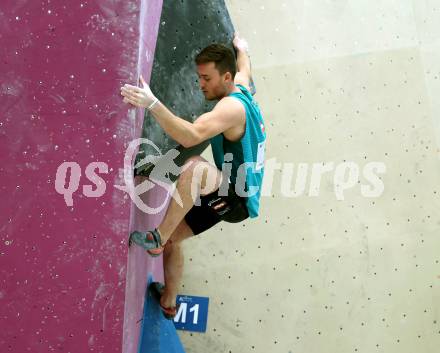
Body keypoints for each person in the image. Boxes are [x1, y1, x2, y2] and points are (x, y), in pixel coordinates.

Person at [120, 33, 266, 319]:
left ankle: (158, 236)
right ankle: (169, 302)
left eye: (206, 78)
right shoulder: (240, 87)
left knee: (195, 167)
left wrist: (152, 103)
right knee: (176, 241)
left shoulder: (231, 108)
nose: (201, 84)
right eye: (199, 77)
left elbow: (192, 136)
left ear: (225, 77)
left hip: (236, 197)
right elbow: (244, 66)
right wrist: (241, 47)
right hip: (231, 192)